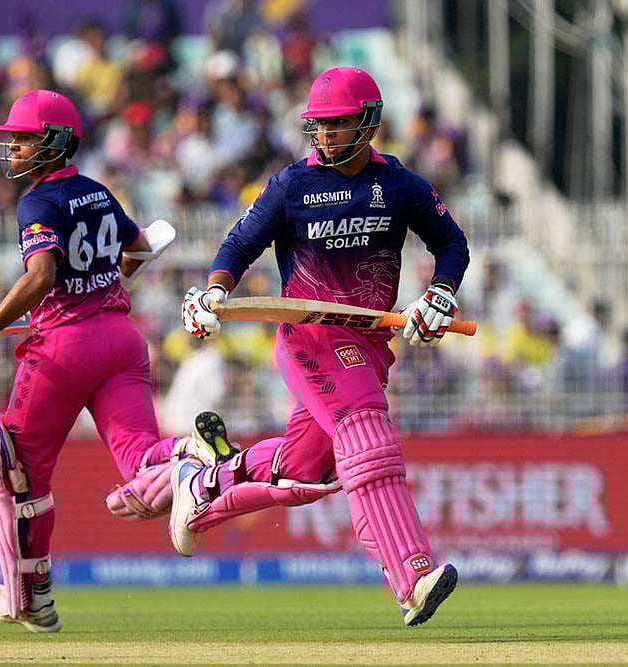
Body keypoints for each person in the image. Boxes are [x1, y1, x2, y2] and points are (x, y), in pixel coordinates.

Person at [0, 89, 237, 633]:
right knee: (143, 459)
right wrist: (76, 292)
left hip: (65, 349)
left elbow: (44, 276)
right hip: (120, 338)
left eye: (26, 138)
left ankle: (31, 596)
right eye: (15, 139)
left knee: (10, 458)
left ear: (57, 141)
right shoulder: (96, 192)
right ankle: (191, 455)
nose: (16, 148)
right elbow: (139, 250)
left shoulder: (38, 202)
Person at [173, 66, 470, 627]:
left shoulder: (400, 185)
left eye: (338, 126)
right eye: (320, 126)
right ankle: (411, 575)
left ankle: (206, 484)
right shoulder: (291, 184)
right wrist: (214, 290)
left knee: (306, 473)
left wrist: (439, 295)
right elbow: (239, 243)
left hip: (368, 340)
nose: (326, 137)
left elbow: (452, 243)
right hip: (310, 335)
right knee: (366, 431)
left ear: (369, 122)